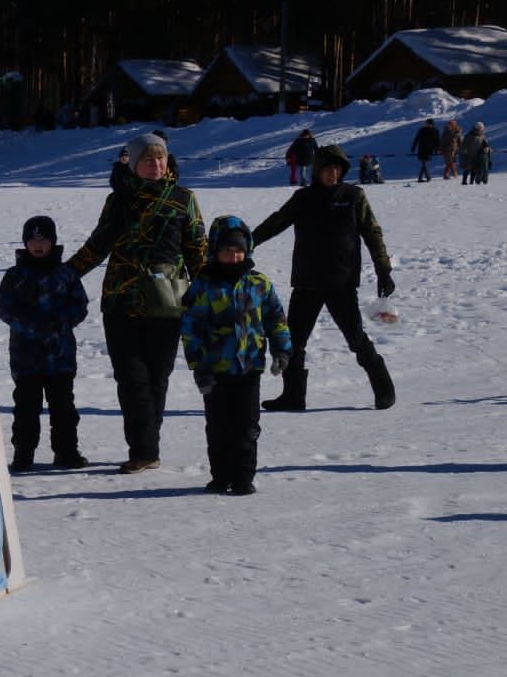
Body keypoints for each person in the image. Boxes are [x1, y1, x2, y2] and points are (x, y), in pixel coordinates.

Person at [66, 132, 206, 474]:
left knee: (158, 378)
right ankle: (144, 450)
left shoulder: (183, 199)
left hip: (167, 304)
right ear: (133, 163)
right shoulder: (120, 201)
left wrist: (208, 297)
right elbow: (97, 245)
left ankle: (147, 448)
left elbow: (197, 251)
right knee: (131, 379)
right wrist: (63, 274)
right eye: (147, 159)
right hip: (121, 303)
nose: (155, 165)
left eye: (159, 159)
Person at [251, 143, 396, 411]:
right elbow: (276, 222)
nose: (333, 174)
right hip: (307, 280)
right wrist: (246, 243)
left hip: (341, 281)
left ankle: (383, 387)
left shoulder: (353, 196)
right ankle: (293, 395)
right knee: (294, 340)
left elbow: (372, 233)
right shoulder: (303, 198)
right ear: (317, 170)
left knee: (355, 338)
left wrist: (383, 269)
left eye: (337, 169)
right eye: (328, 169)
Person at [179, 215, 291, 495]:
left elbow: (276, 318)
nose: (233, 256)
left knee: (247, 426)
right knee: (218, 426)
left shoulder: (258, 283)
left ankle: (243, 476)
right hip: (214, 369)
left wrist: (281, 349)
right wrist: (198, 366)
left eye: (238, 250)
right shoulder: (204, 285)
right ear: (215, 250)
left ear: (248, 250)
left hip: (249, 367)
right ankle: (220, 476)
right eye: (227, 251)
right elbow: (190, 327)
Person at [0, 215, 90, 472]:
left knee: (63, 409)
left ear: (53, 242)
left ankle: (67, 452)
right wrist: (31, 326)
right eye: (33, 240)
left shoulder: (65, 274)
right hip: (26, 358)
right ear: (25, 243)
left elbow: (79, 306)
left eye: (44, 240)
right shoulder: (15, 276)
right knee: (26, 409)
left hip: (59, 357)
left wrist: (59, 323)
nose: (38, 245)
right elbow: (5, 310)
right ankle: (23, 454)